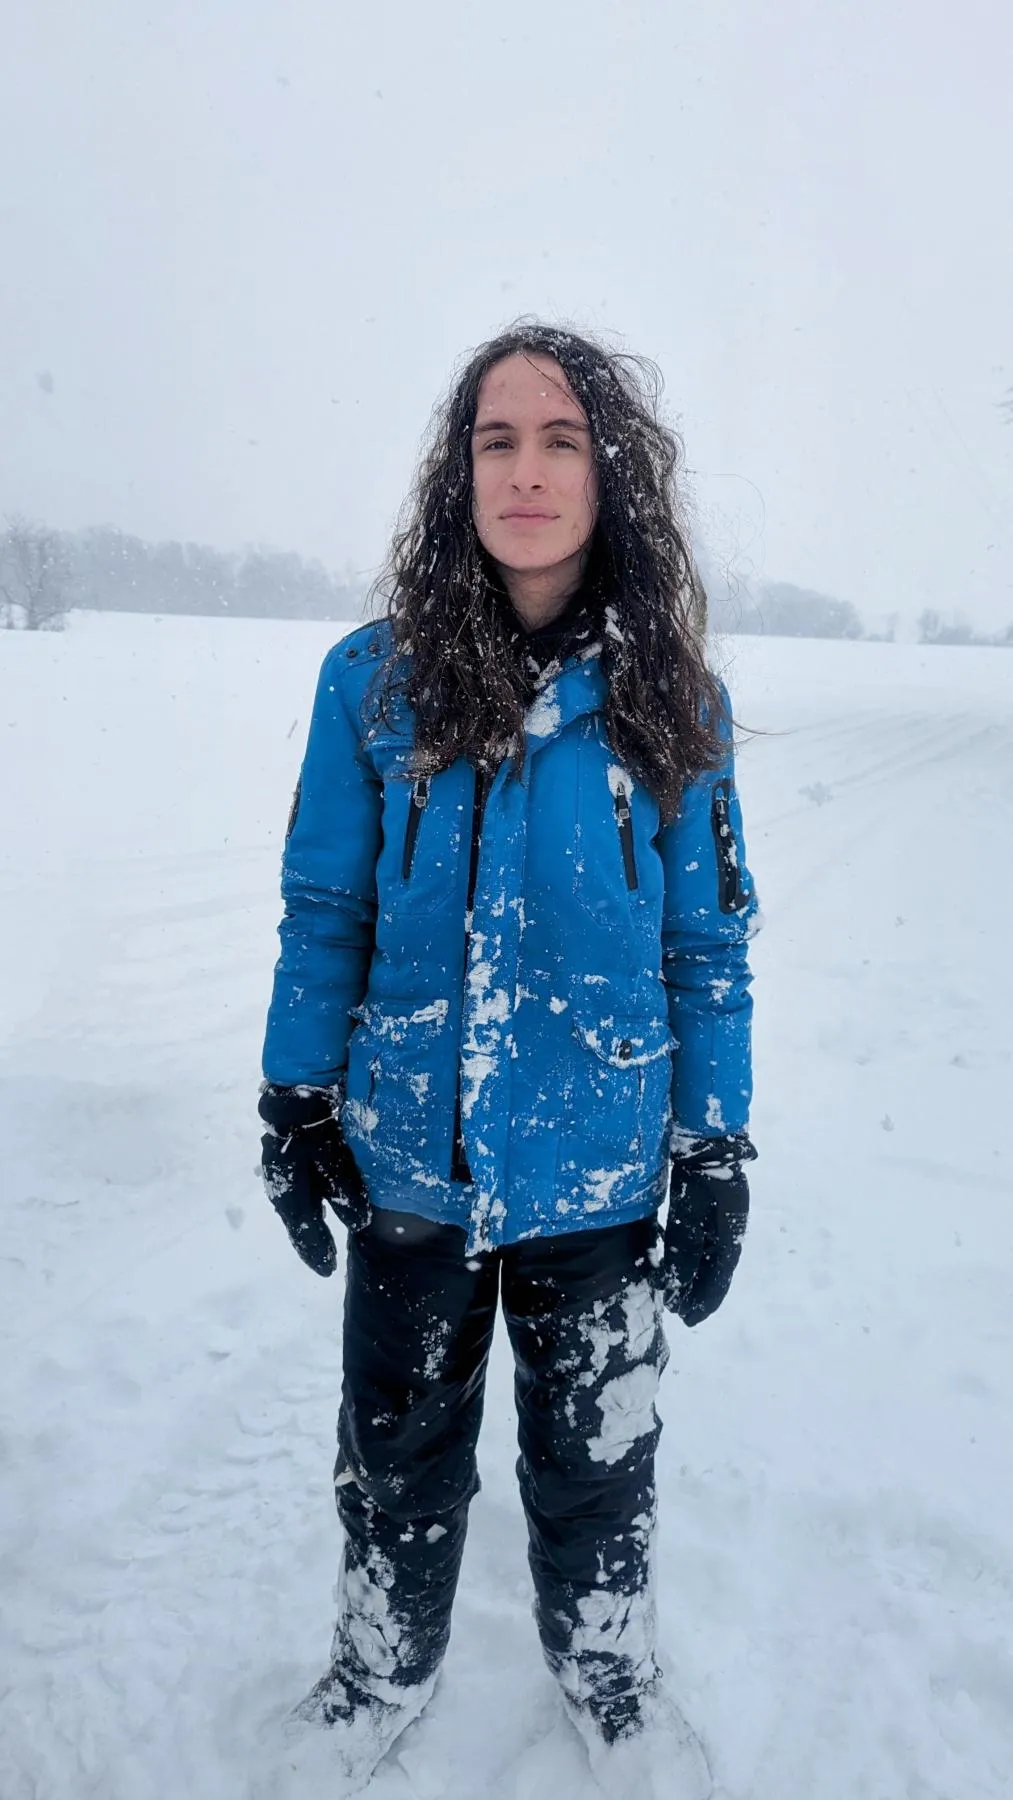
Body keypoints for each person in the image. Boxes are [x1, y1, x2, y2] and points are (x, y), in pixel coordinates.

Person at [258, 323, 758, 1798]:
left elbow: (709, 949)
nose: (526, 470)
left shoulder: (679, 699)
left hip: (598, 1161)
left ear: (609, 474)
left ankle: (607, 1669)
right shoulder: (373, 681)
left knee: (599, 1459)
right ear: (457, 471)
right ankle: (377, 1670)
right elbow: (326, 906)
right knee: (396, 1453)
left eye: (558, 440)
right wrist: (296, 1092)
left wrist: (713, 1144)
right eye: (496, 440)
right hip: (410, 1150)